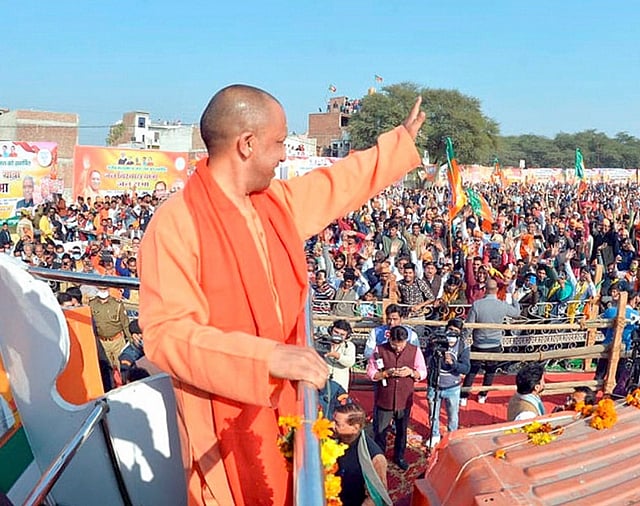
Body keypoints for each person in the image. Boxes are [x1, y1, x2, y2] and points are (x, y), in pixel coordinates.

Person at [138, 84, 425, 504]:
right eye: (279, 143)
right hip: (222, 415)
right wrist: (267, 358)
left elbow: (336, 185)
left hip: (286, 401)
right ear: (247, 144)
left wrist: (398, 143)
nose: (285, 154)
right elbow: (167, 336)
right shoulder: (177, 223)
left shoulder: (272, 203)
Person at [366, 326, 426, 471]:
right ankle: (379, 457)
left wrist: (411, 372)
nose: (398, 348)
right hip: (385, 397)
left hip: (404, 398)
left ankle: (399, 456)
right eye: (394, 344)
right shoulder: (379, 350)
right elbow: (371, 372)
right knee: (380, 431)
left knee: (402, 430)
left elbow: (423, 372)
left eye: (401, 345)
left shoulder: (415, 350)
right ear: (389, 339)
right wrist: (385, 373)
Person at [461, 279, 520, 405]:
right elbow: (517, 313)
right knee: (490, 371)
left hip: (478, 343)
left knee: (472, 370)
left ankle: (463, 396)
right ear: (497, 290)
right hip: (494, 344)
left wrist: (463, 340)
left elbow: (469, 325)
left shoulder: (477, 305)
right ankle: (483, 395)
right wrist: (515, 299)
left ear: (485, 290)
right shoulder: (502, 305)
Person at [331, 400, 391, 506]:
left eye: (337, 423)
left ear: (355, 428)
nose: (332, 425)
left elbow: (375, 497)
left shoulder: (374, 457)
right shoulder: (335, 437)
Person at [426, 318, 470, 448]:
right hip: (435, 385)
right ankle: (434, 435)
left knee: (452, 415)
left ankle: (452, 436)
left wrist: (454, 364)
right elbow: (425, 358)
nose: (451, 334)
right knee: (433, 414)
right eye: (450, 330)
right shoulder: (437, 341)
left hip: (453, 387)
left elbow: (466, 368)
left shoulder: (463, 346)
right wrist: (433, 351)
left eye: (456, 332)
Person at [89, 285, 133, 370]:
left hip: (117, 341)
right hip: (102, 342)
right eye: (100, 288)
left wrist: (130, 340)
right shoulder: (92, 304)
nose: (102, 291)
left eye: (104, 289)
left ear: (108, 289)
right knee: (106, 368)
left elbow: (125, 324)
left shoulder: (117, 304)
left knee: (123, 366)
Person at [323, 319, 356, 392]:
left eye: (342, 334)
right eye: (336, 332)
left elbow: (350, 362)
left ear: (347, 336)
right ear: (331, 331)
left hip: (340, 387)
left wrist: (337, 355)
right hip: (322, 384)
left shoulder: (349, 346)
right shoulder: (323, 342)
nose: (338, 336)